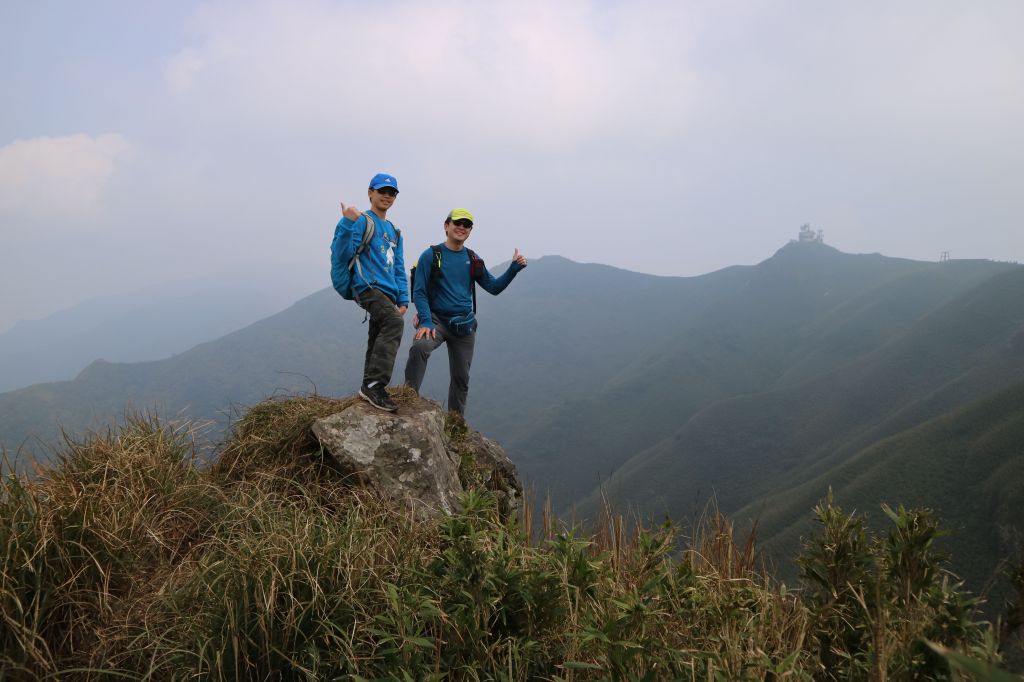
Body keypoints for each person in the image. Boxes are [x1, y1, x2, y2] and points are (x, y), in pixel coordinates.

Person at [404, 208, 527, 415]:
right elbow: (419, 291)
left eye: (466, 225)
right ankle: (408, 398)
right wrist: (425, 321)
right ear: (446, 226)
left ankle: (456, 423)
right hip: (437, 321)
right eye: (457, 223)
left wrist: (513, 268)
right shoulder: (431, 255)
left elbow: (493, 287)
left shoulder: (473, 258)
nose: (461, 227)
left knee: (461, 378)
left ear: (470, 230)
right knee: (420, 347)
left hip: (464, 325)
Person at [335, 173, 409, 412]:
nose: (387, 196)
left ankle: (368, 386)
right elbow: (341, 252)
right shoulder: (361, 221)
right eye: (382, 191)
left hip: (388, 292)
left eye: (391, 193)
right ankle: (375, 386)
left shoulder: (395, 232)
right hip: (366, 286)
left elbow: (398, 267)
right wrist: (346, 223)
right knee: (394, 323)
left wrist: (403, 298)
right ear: (370, 192)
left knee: (378, 335)